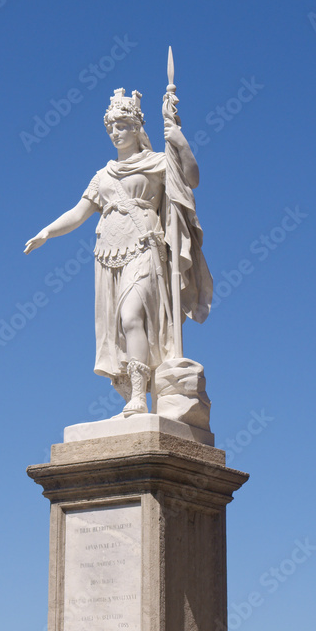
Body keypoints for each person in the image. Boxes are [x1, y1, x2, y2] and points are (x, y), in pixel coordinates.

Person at [24, 88, 211, 417]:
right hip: (108, 254)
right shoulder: (102, 176)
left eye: (122, 125)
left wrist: (179, 141)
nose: (115, 132)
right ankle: (129, 400)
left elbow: (191, 180)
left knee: (131, 316)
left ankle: (141, 395)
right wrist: (48, 232)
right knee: (116, 330)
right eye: (111, 126)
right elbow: (79, 212)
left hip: (145, 247)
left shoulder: (157, 161)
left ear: (138, 127)